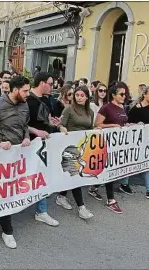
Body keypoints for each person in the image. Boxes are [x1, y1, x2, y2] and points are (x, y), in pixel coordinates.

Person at [0, 75, 32, 249]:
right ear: (15, 89)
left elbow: (25, 125)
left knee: (12, 190)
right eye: (25, 90)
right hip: (1, 156)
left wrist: (26, 137)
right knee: (5, 192)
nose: (28, 94)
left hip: (19, 156)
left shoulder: (25, 104)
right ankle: (7, 231)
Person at [27, 72, 61, 227]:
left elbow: (44, 120)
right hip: (27, 145)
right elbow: (19, 123)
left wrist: (53, 123)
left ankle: (41, 211)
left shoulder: (46, 100)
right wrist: (36, 131)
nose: (52, 87)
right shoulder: (27, 100)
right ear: (42, 83)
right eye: (50, 83)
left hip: (43, 144)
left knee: (42, 176)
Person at [57, 85, 95, 219]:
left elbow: (90, 128)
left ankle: (61, 196)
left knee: (72, 175)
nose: (79, 98)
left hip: (82, 147)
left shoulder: (90, 112)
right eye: (77, 95)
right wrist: (62, 128)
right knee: (75, 175)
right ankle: (81, 207)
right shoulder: (69, 109)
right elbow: (60, 124)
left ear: (87, 97)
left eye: (82, 95)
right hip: (69, 147)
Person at [94, 82, 130, 214]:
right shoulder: (106, 108)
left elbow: (123, 122)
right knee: (110, 169)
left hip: (119, 144)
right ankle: (111, 200)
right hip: (107, 143)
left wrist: (130, 125)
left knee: (111, 168)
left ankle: (93, 188)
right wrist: (112, 126)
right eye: (121, 94)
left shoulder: (122, 107)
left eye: (125, 94)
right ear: (114, 95)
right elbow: (97, 124)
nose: (124, 96)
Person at [125, 86, 149, 200]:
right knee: (130, 162)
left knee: (148, 164)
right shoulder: (136, 109)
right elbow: (128, 125)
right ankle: (124, 184)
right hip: (135, 142)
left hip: (147, 142)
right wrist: (138, 125)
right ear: (144, 94)